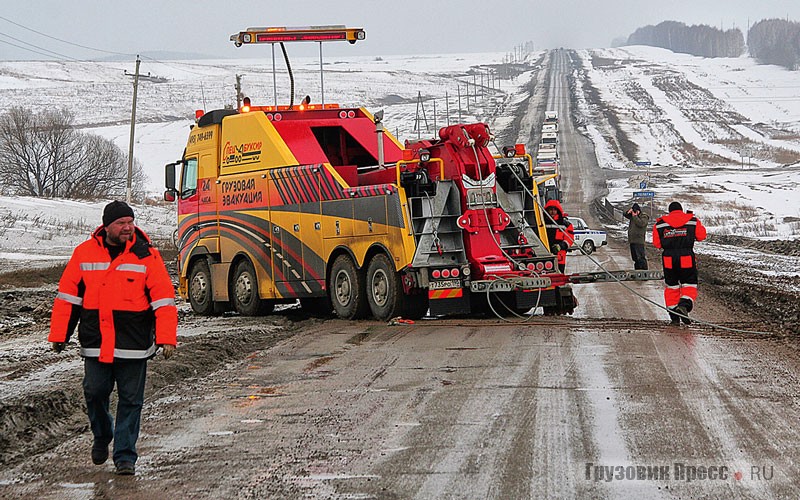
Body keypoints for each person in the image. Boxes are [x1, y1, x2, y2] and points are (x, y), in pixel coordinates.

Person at [49, 201, 178, 476]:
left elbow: (164, 300)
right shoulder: (83, 253)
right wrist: (60, 334)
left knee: (131, 401)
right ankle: (102, 434)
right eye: (121, 223)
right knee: (94, 392)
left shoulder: (147, 256)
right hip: (96, 343)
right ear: (106, 226)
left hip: (134, 344)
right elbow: (68, 299)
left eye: (130, 222)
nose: (128, 227)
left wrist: (167, 337)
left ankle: (125, 457)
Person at [652, 201, 707, 325]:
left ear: (669, 211)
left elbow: (657, 244)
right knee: (689, 283)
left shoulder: (660, 224)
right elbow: (702, 236)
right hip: (686, 257)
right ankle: (684, 305)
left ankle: (674, 316)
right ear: (681, 210)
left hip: (668, 259)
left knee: (672, 286)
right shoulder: (692, 220)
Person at [544, 199, 575, 273]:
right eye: (550, 209)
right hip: (544, 256)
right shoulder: (541, 223)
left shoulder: (565, 225)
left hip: (559, 258)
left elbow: (570, 239)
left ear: (558, 210)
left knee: (558, 278)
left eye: (554, 209)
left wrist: (560, 246)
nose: (552, 211)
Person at [623, 202, 649, 270]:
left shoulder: (644, 216)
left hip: (639, 240)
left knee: (640, 257)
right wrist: (629, 211)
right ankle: (638, 272)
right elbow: (625, 214)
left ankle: (644, 272)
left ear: (639, 210)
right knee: (635, 258)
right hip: (632, 240)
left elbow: (641, 223)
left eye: (635, 211)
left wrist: (635, 216)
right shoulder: (633, 216)